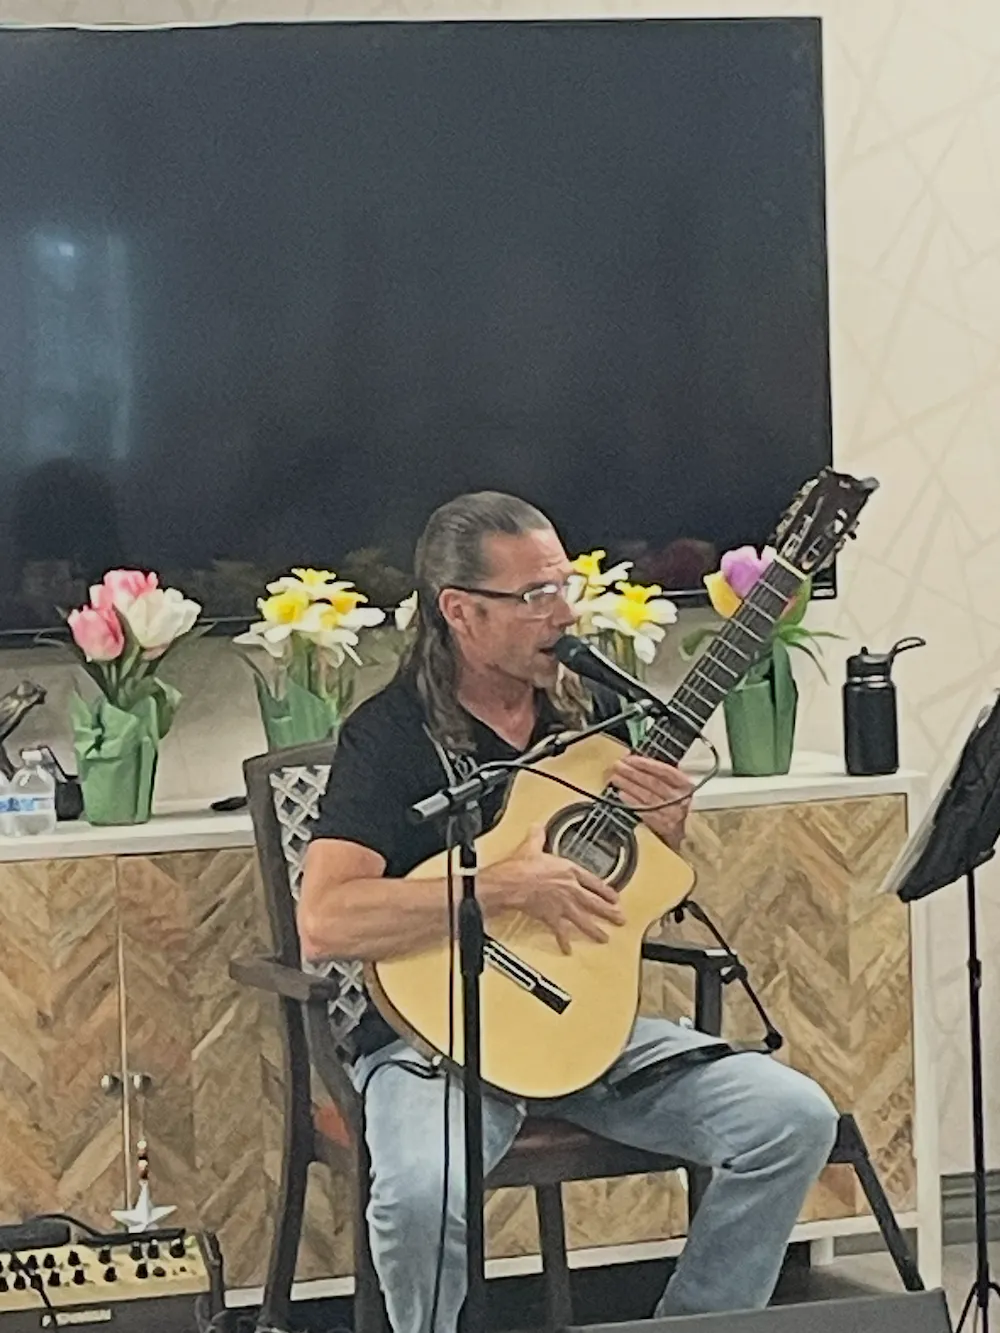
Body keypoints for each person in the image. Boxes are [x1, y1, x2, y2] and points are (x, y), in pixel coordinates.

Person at [299, 491, 838, 1333]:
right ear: (460, 610)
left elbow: (632, 896)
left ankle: (693, 1325)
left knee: (792, 1118)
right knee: (420, 1196)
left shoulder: (595, 715)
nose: (563, 613)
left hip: (585, 1031)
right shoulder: (389, 736)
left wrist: (662, 830)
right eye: (534, 595)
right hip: (438, 1042)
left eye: (565, 586)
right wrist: (502, 886)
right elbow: (326, 919)